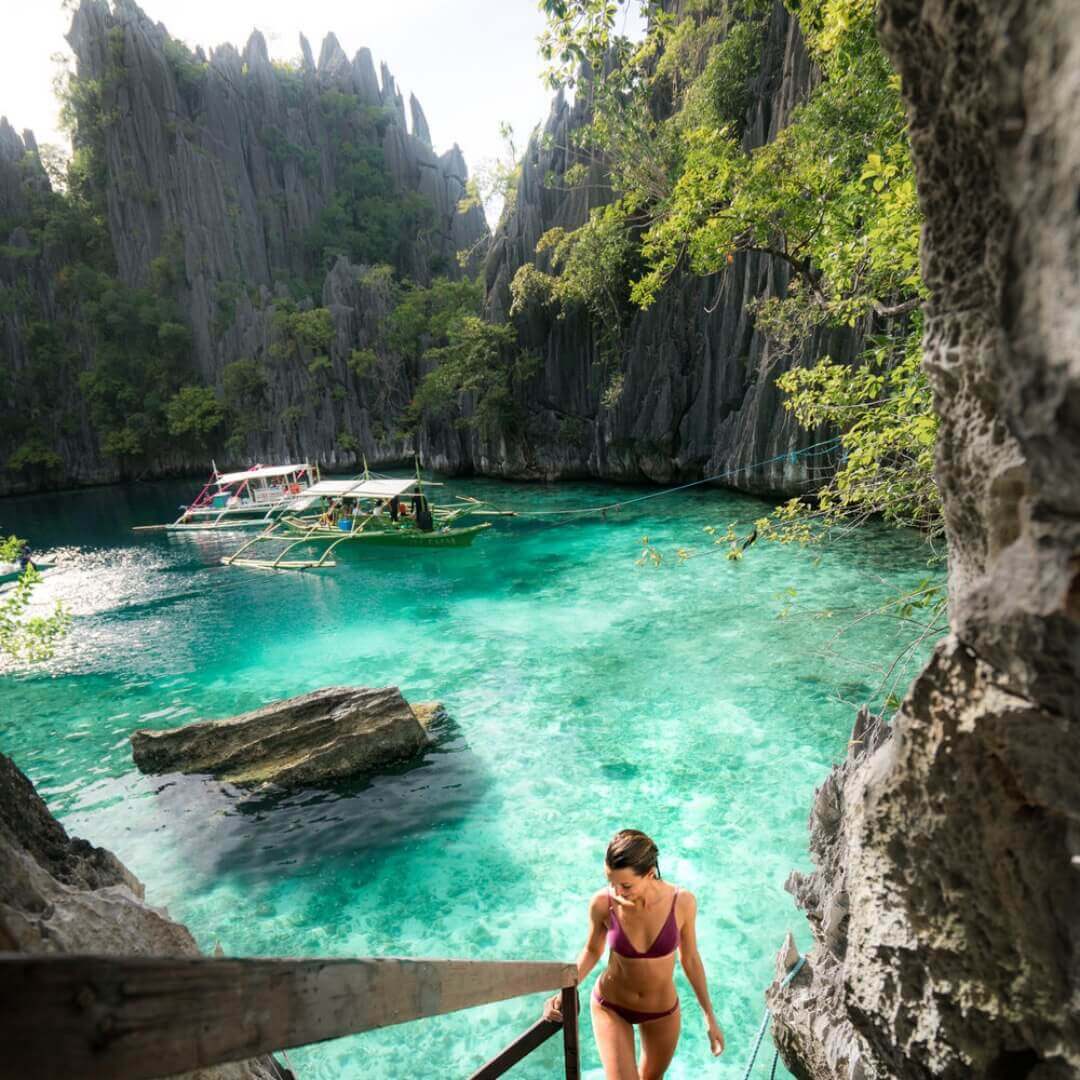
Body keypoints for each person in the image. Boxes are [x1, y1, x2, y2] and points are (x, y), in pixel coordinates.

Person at [544, 829, 724, 1079]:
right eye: (611, 881)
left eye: (625, 884)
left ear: (650, 874)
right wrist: (564, 989)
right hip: (611, 1005)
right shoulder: (602, 903)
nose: (616, 891)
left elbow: (690, 959)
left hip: (661, 1012)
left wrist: (709, 1016)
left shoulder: (682, 902)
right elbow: (592, 950)